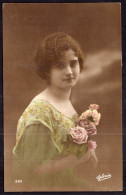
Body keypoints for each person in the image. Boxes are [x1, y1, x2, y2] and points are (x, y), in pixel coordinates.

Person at [12, 32, 98, 189]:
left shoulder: (64, 101)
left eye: (73, 64)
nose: (69, 72)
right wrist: (79, 158)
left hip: (65, 183)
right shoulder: (40, 112)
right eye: (60, 66)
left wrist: (87, 152)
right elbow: (30, 171)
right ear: (46, 71)